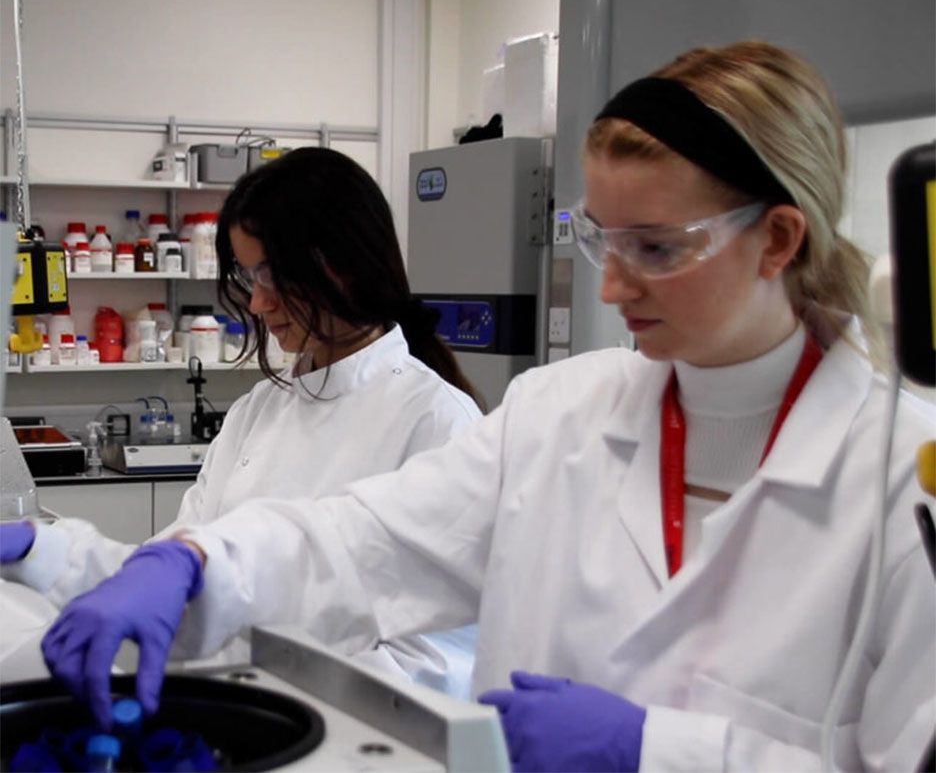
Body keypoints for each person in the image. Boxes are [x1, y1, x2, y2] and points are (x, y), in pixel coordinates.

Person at [36, 42, 935, 770]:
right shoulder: (558, 414)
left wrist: (657, 751)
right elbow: (366, 540)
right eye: (599, 239)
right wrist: (196, 563)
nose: (614, 283)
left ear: (778, 238)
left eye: (657, 247)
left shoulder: (904, 479)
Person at [1, 146, 484, 700]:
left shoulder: (436, 421)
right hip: (236, 713)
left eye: (273, 275)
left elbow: (437, 670)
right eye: (247, 275)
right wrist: (51, 555)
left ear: (345, 264)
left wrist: (238, 647)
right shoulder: (259, 410)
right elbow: (173, 573)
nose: (256, 302)